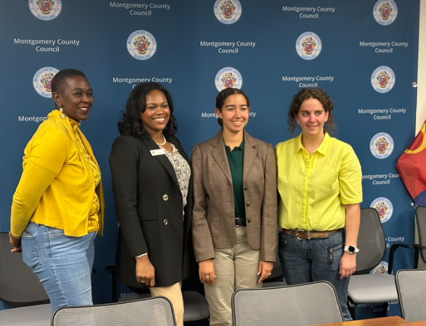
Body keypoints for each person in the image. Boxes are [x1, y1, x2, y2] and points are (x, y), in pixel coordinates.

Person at [9, 69, 104, 313]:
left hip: (78, 238)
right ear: (58, 98)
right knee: (77, 318)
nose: (86, 99)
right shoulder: (54, 134)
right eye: (78, 94)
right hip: (56, 241)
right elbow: (24, 195)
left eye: (89, 93)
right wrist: (16, 232)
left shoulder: (72, 130)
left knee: (73, 316)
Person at [109, 82, 195, 326]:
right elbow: (126, 206)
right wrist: (141, 256)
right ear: (138, 112)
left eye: (164, 105)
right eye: (152, 107)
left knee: (165, 315)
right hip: (153, 244)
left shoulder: (174, 142)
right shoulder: (127, 145)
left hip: (178, 241)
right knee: (173, 314)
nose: (160, 111)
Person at [191, 88, 278, 326]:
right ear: (218, 113)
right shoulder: (202, 152)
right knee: (222, 317)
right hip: (217, 245)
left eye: (243, 108)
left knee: (249, 313)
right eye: (230, 108)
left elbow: (270, 208)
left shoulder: (264, 151)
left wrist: (268, 255)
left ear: (249, 112)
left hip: (252, 244)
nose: (237, 114)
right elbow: (197, 209)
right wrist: (204, 257)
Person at [275, 88, 362, 321]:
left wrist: (350, 251)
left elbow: (352, 206)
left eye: (317, 113)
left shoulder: (343, 153)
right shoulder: (281, 152)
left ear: (327, 115)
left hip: (330, 247)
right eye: (305, 113)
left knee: (334, 310)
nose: (311, 119)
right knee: (301, 312)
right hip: (291, 245)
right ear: (296, 117)